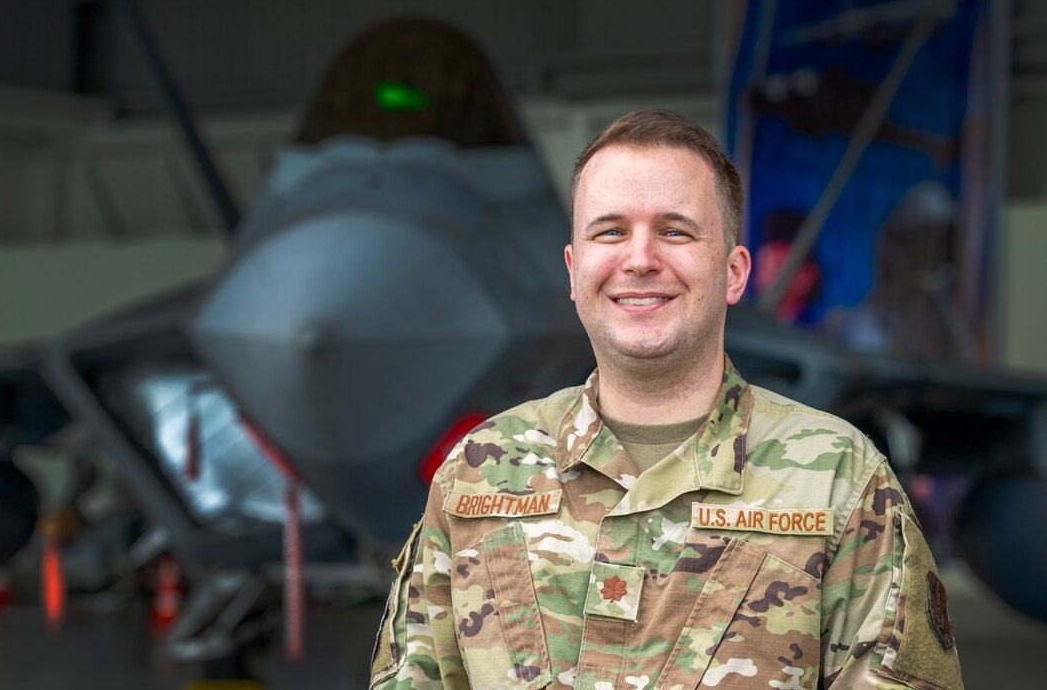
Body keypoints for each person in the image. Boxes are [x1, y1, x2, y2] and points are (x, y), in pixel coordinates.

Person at [370, 110, 963, 689]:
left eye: (675, 230)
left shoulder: (840, 479)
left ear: (733, 273)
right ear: (574, 272)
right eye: (610, 231)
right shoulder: (477, 473)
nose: (640, 258)